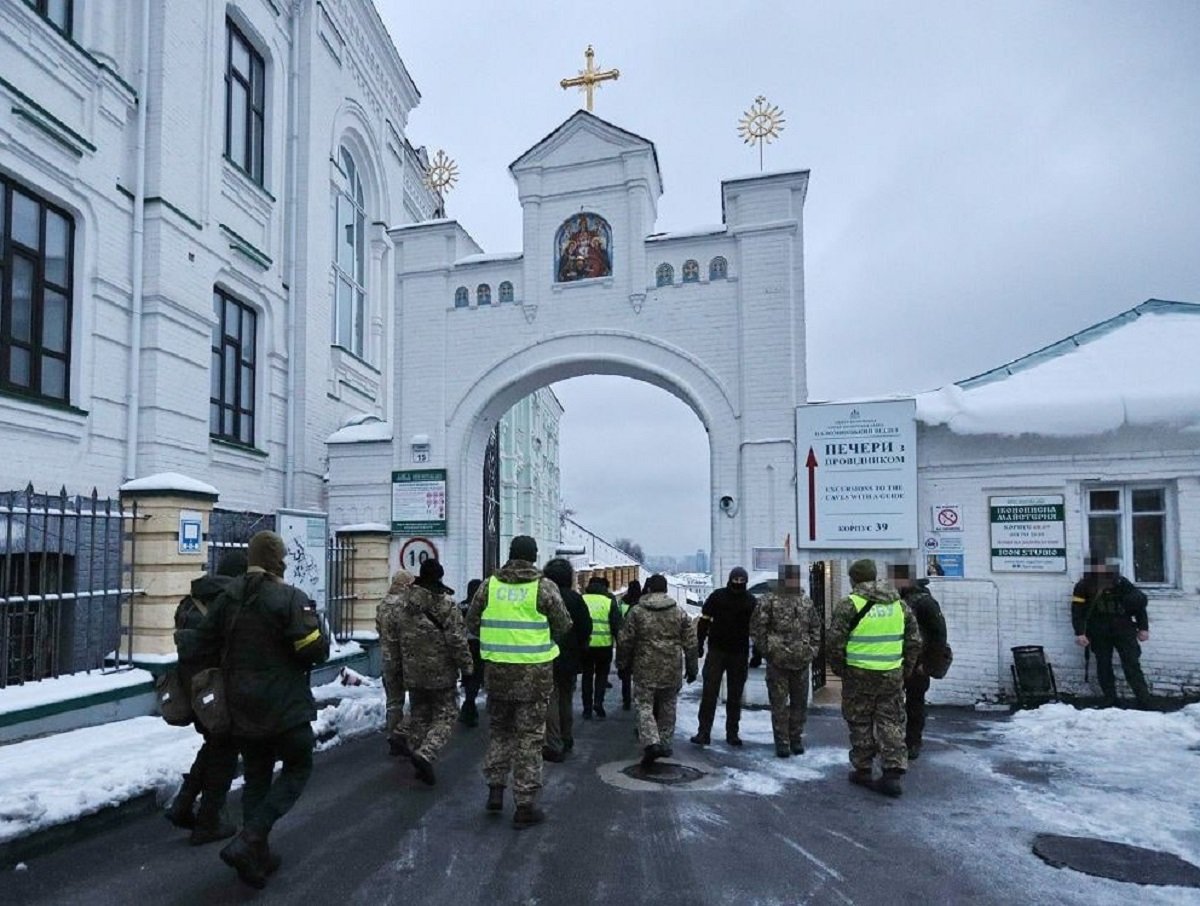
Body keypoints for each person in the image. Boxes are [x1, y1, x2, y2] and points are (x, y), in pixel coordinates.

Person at [195, 531, 330, 888]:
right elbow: (311, 650)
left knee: (257, 775)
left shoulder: (228, 597)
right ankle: (251, 837)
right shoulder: (288, 598)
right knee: (299, 765)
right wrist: (321, 633)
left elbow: (203, 643)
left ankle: (256, 857)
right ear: (278, 560)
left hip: (241, 707)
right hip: (284, 707)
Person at [466, 536, 572, 828]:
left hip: (498, 674)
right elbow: (563, 625)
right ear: (534, 557)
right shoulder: (544, 587)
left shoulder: (490, 586)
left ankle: (496, 790)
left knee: (500, 732)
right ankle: (524, 805)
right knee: (529, 739)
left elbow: (472, 623)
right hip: (534, 678)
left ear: (510, 555)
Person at [167, 550, 246, 845]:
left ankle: (183, 805)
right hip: (219, 688)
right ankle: (209, 820)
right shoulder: (229, 602)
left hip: (194, 689)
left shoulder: (192, 600)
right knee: (224, 752)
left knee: (213, 746)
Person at [827, 559, 920, 798]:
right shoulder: (899, 604)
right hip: (891, 673)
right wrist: (905, 669)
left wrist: (841, 670)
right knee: (890, 721)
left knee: (860, 721)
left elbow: (834, 643)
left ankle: (863, 769)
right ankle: (892, 773)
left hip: (858, 675)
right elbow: (913, 641)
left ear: (853, 579)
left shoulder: (850, 604)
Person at [391, 559, 472, 785]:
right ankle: (426, 753)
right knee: (446, 714)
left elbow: (394, 637)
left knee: (419, 715)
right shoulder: (446, 605)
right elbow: (457, 641)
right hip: (440, 673)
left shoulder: (402, 605)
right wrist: (467, 667)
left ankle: (417, 756)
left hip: (413, 671)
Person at [616, 574, 697, 764]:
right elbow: (691, 643)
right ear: (666, 590)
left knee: (644, 705)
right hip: (672, 667)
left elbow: (625, 640)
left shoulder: (637, 612)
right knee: (668, 705)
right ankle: (665, 743)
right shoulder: (679, 612)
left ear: (649, 589)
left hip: (645, 667)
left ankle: (652, 742)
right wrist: (692, 668)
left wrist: (622, 664)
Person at [750, 562, 821, 758]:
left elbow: (816, 627)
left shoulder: (805, 602)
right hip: (778, 662)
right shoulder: (768, 601)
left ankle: (795, 739)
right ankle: (782, 742)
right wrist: (769, 652)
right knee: (779, 705)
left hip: (801, 661)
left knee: (799, 704)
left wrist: (812, 650)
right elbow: (757, 629)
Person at [1071, 557, 1152, 709]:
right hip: (1099, 630)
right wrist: (1080, 632)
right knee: (1103, 665)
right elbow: (1077, 611)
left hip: (1124, 629)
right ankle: (1110, 699)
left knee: (1132, 664)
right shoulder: (1083, 586)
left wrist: (1143, 628)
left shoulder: (1121, 583)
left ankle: (1144, 699)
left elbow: (1139, 605)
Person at [691, 567, 757, 747]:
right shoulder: (718, 597)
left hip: (737, 653)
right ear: (730, 579)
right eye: (735, 579)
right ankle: (704, 732)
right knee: (709, 694)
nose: (737, 583)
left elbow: (757, 629)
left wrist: (757, 653)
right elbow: (703, 622)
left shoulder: (750, 602)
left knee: (734, 697)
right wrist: (699, 644)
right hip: (718, 651)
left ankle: (732, 733)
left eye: (740, 580)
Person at [541, 558, 593, 762]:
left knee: (551, 698)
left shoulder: (543, 597)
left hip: (547, 654)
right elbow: (586, 627)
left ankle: (553, 743)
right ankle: (567, 736)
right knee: (566, 698)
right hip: (571, 657)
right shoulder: (576, 598)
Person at [899, 577, 948, 759]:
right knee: (896, 704)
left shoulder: (925, 603)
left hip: (918, 662)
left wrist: (927, 665)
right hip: (900, 661)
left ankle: (912, 742)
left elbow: (939, 636)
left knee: (914, 703)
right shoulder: (901, 601)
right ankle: (897, 741)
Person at [377, 568, 414, 755]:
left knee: (393, 702)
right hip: (405, 659)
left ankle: (393, 737)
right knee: (419, 699)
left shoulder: (383, 604)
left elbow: (379, 629)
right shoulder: (405, 605)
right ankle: (404, 735)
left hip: (387, 659)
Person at [580, 575, 621, 719]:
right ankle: (598, 702)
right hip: (604, 645)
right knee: (602, 676)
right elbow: (616, 625)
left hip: (586, 646)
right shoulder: (609, 601)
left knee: (587, 676)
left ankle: (586, 708)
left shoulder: (582, 599)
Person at [458, 578, 484, 727]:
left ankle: (469, 706)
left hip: (464, 644)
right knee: (476, 675)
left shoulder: (460, 606)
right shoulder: (483, 608)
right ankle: (469, 706)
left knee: (468, 676)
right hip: (479, 644)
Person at [617, 579, 642, 710]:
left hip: (626, 640)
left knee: (625, 674)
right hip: (640, 644)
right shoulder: (642, 602)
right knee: (639, 675)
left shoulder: (623, 601)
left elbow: (619, 619)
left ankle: (626, 700)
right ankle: (638, 698)